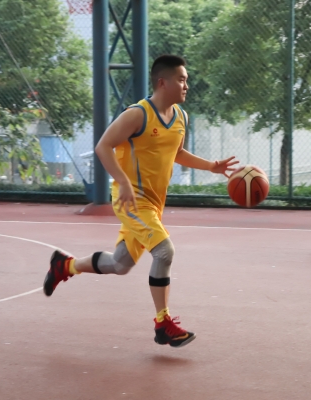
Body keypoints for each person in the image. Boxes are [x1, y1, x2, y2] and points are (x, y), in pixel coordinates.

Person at [42, 55, 238, 348]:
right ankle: (163, 324)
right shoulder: (138, 114)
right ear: (163, 82)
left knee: (120, 264)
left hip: (154, 204)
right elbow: (103, 146)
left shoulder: (180, 117)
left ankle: (64, 266)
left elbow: (176, 152)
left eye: (186, 80)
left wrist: (211, 166)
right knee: (164, 251)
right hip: (132, 200)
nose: (186, 85)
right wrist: (122, 182)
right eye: (181, 80)